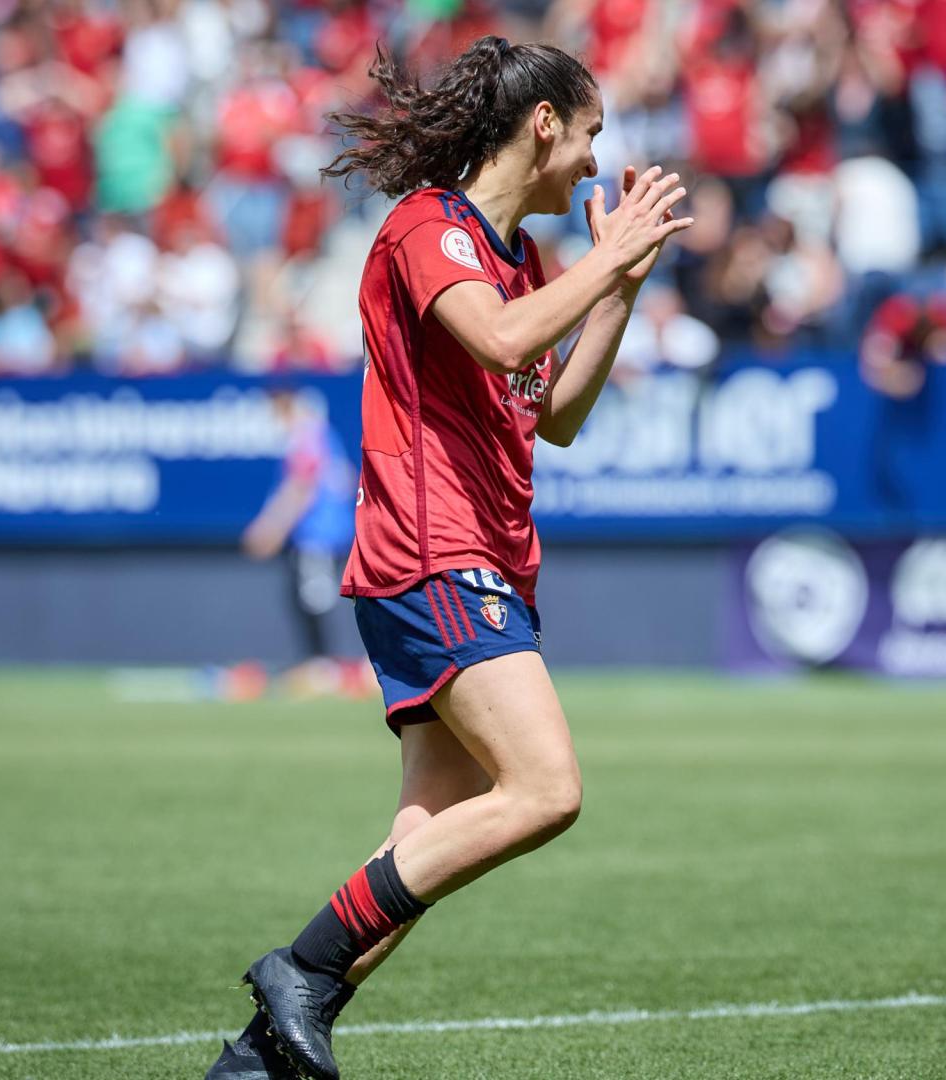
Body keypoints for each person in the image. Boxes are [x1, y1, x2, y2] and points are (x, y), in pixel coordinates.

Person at [202, 35, 692, 1080]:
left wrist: (622, 288)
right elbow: (503, 343)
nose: (598, 167)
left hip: (487, 558)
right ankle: (300, 969)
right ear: (545, 122)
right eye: (592, 134)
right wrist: (607, 260)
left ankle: (256, 1059)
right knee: (547, 789)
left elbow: (551, 413)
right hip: (434, 552)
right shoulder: (430, 227)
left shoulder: (526, 261)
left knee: (426, 834)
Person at [240, 386, 360, 692]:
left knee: (313, 597)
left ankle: (323, 665)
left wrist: (271, 528)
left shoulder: (307, 437)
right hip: (323, 533)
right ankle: (320, 664)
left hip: (317, 535)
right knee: (307, 595)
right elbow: (344, 478)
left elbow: (300, 487)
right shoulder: (323, 436)